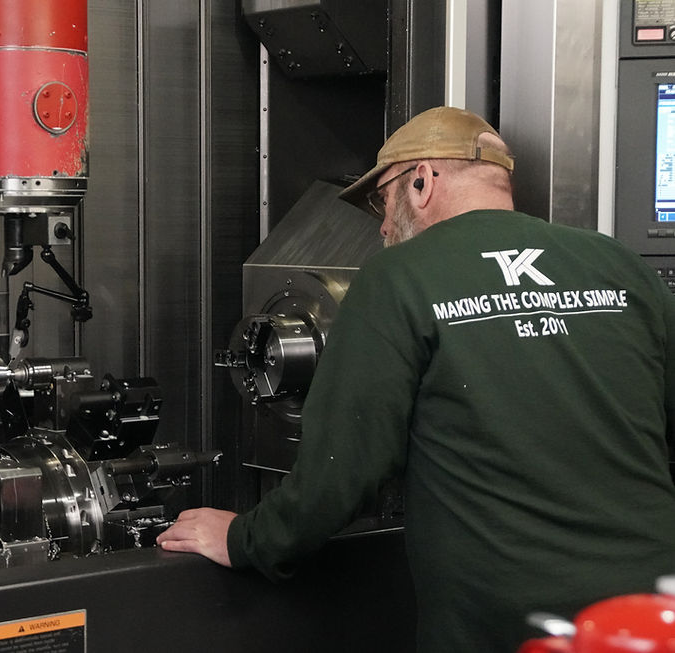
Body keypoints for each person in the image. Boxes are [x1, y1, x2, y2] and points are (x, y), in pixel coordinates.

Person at [156, 106, 675, 652]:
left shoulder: (397, 278)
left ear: (423, 181)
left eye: (383, 201)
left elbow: (339, 473)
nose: (382, 226)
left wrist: (245, 540)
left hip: (510, 626)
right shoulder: (618, 264)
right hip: (652, 610)